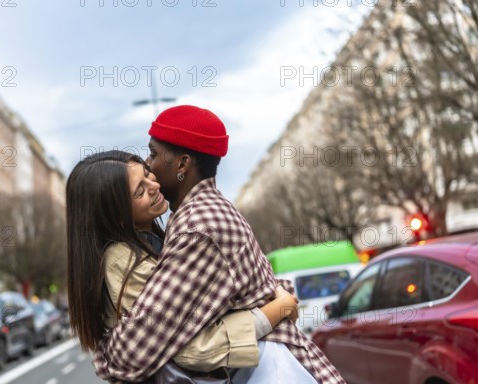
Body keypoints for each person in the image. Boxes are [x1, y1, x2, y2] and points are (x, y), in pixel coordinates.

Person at [92, 105, 345, 383]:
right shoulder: (202, 212)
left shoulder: (197, 228)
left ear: (182, 164)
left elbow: (133, 351)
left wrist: (104, 354)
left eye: (153, 154)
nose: (149, 165)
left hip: (275, 369)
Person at [66, 150, 301, 379]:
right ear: (116, 215)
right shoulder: (125, 262)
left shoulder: (156, 240)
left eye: (148, 174)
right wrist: (274, 311)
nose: (154, 186)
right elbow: (191, 349)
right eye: (140, 191)